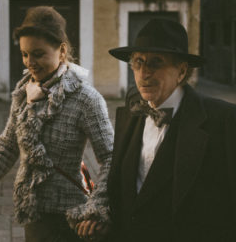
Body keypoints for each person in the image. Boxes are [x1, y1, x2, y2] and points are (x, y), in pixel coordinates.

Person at [0, 6, 114, 242]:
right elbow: (7, 146)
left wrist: (97, 207)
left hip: (73, 220)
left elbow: (110, 156)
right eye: (25, 54)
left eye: (38, 54)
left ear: (62, 50)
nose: (30, 63)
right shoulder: (23, 92)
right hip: (34, 215)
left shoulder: (86, 99)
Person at [76, 19, 236, 242]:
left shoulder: (223, 120)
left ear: (181, 71)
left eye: (156, 63)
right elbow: (124, 194)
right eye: (138, 62)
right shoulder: (131, 112)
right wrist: (107, 225)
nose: (144, 73)